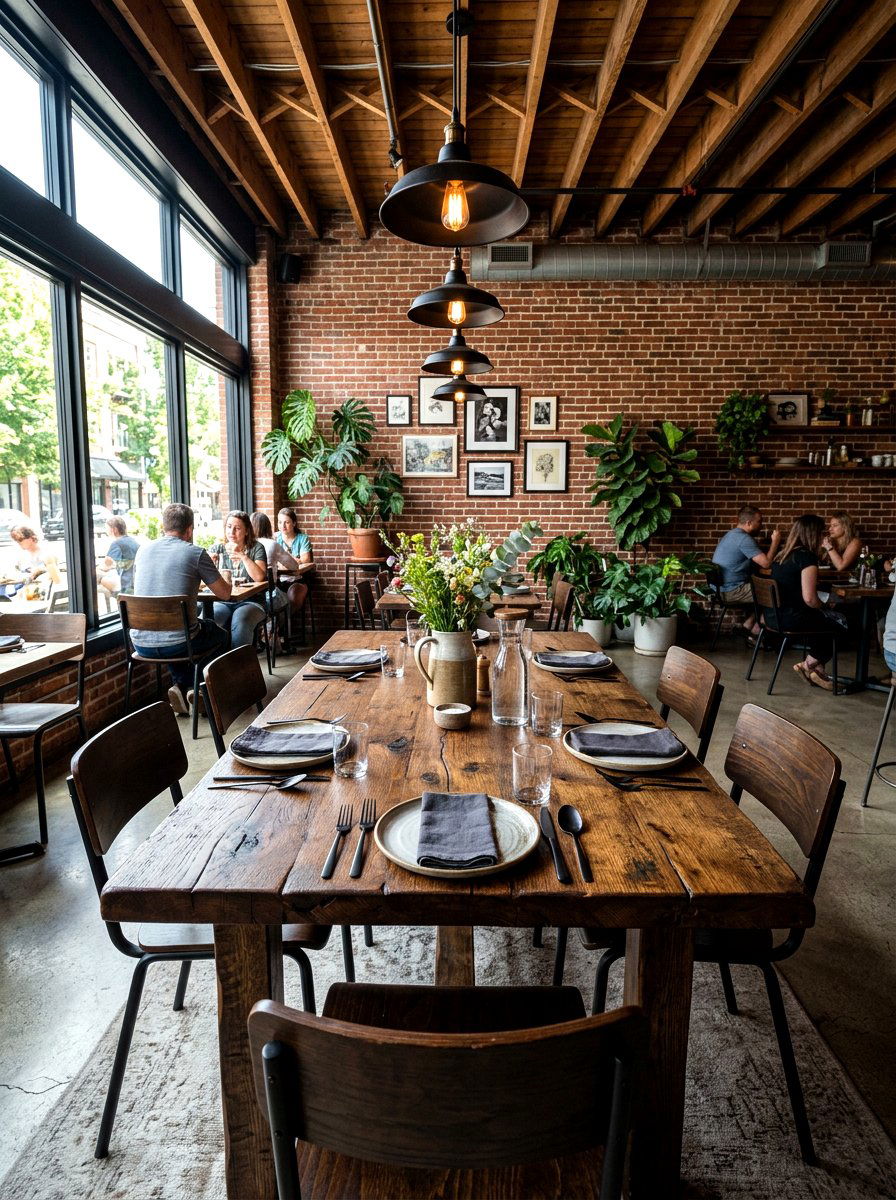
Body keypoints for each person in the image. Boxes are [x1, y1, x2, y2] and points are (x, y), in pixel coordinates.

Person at [130, 502, 230, 714]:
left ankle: (181, 687)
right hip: (179, 642)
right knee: (219, 635)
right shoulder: (195, 553)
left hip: (140, 644)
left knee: (180, 631)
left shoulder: (142, 550)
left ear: (163, 526)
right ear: (190, 529)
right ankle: (203, 691)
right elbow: (225, 594)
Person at [768, 514, 842, 690]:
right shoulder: (806, 557)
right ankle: (808, 665)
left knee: (825, 620)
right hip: (793, 618)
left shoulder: (781, 555)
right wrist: (825, 605)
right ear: (813, 534)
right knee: (842, 622)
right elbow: (809, 599)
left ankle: (818, 672)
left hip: (773, 617)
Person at [711, 506, 781, 634]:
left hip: (720, 589)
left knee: (766, 588)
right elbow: (766, 564)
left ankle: (748, 625)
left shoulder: (731, 534)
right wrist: (775, 542)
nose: (762, 525)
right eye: (759, 521)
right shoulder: (744, 539)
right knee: (774, 592)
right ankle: (756, 633)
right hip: (730, 590)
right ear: (749, 523)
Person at [210, 510, 268, 649]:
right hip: (223, 601)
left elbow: (260, 577)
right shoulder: (217, 548)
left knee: (241, 621)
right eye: (229, 527)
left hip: (252, 601)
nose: (232, 532)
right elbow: (205, 579)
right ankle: (216, 666)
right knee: (212, 620)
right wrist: (210, 562)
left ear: (247, 531)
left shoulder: (256, 548)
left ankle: (241, 667)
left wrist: (243, 556)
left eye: (237, 528)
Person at [251, 510, 298, 624]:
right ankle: (277, 632)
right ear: (268, 526)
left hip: (249, 596)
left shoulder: (246, 545)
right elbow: (294, 565)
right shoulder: (272, 544)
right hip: (268, 595)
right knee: (287, 601)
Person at [8, 525, 62, 595]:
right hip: (24, 591)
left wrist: (38, 572)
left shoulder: (46, 554)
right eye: (17, 540)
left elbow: (57, 581)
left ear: (30, 538)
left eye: (20, 540)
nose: (19, 543)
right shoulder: (22, 556)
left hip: (40, 593)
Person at [99, 516, 140, 595]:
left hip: (125, 587)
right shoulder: (133, 541)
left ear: (114, 530)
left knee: (96, 577)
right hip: (136, 584)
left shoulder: (116, 544)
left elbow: (105, 566)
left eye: (107, 529)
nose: (106, 531)